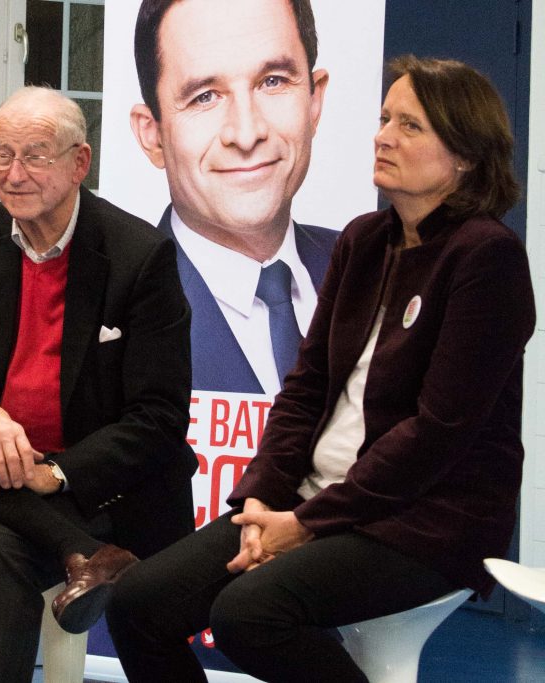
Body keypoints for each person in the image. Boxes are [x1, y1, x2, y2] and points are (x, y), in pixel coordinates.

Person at [106, 56, 534, 682]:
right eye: (385, 118)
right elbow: (304, 391)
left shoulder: (487, 258)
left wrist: (304, 524)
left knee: (249, 615)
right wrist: (259, 502)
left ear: (465, 154)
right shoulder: (363, 241)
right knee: (139, 603)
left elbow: (437, 432)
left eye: (410, 126)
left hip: (426, 522)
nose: (382, 135)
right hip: (310, 502)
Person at [0, 86, 195, 682]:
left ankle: (85, 546)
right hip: (7, 466)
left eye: (35, 155)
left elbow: (159, 417)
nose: (14, 173)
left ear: (80, 163)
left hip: (107, 486)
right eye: (1, 154)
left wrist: (54, 474)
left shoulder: (138, 255)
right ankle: (86, 556)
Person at [130, 0, 339, 394]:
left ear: (314, 101)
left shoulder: (381, 274)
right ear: (151, 134)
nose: (246, 134)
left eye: (273, 81)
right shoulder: (104, 309)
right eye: (204, 96)